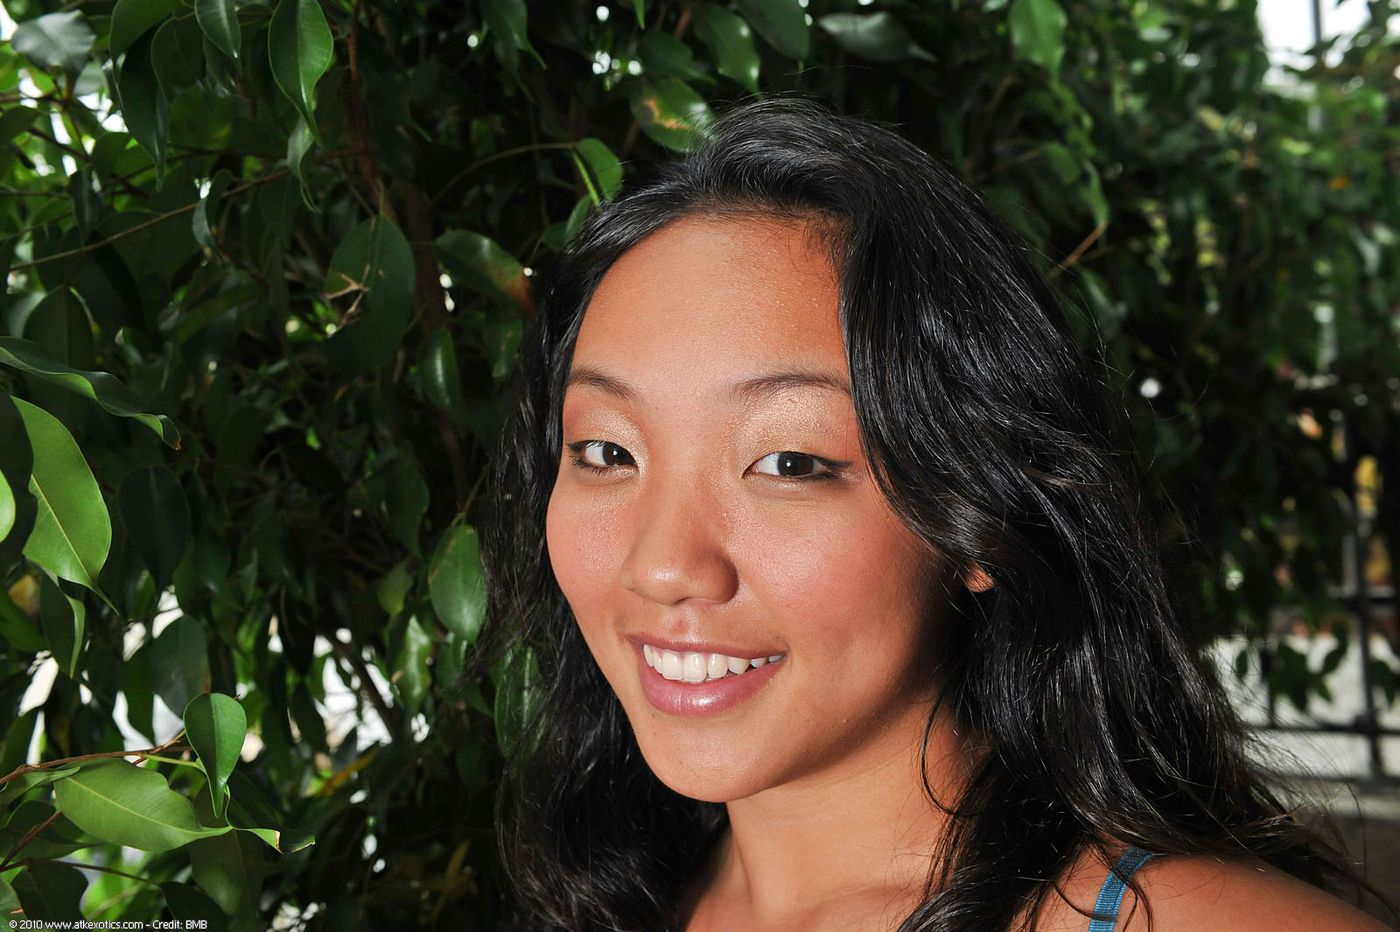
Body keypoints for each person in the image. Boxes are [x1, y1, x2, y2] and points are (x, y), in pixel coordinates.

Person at [479, 98, 1390, 931]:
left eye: (790, 462)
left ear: (978, 512)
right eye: (607, 452)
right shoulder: (608, 895)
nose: (663, 565)